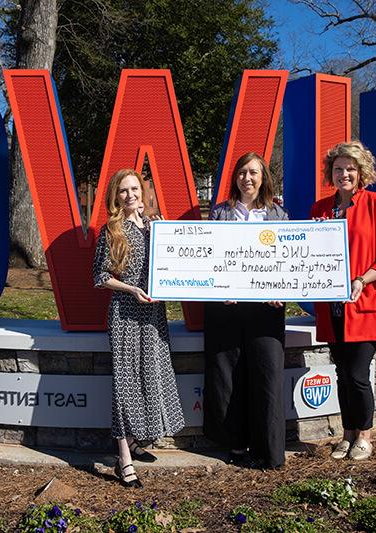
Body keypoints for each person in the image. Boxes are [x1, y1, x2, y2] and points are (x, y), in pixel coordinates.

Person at [309, 141, 376, 461]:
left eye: (351, 168)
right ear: (330, 173)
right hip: (332, 308)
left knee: (357, 373)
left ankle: (364, 436)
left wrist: (363, 279)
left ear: (362, 172)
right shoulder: (320, 209)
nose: (344, 174)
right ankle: (347, 434)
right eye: (338, 169)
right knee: (341, 373)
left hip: (365, 305)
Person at [92, 168, 185, 487]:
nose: (130, 195)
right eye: (123, 191)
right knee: (125, 384)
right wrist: (131, 289)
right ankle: (124, 458)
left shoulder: (153, 226)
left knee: (150, 375)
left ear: (142, 193)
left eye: (134, 189)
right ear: (115, 197)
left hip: (153, 314)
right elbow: (99, 277)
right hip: (126, 314)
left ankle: (133, 440)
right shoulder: (112, 229)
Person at [204, 152, 288, 470]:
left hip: (266, 311)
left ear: (263, 177)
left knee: (267, 377)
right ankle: (236, 444)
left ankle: (268, 451)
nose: (247, 178)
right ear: (235, 178)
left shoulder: (279, 215)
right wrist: (218, 288)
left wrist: (284, 291)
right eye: (242, 173)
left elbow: (289, 261)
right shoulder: (221, 214)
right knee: (229, 378)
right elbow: (210, 258)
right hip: (227, 310)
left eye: (253, 172)